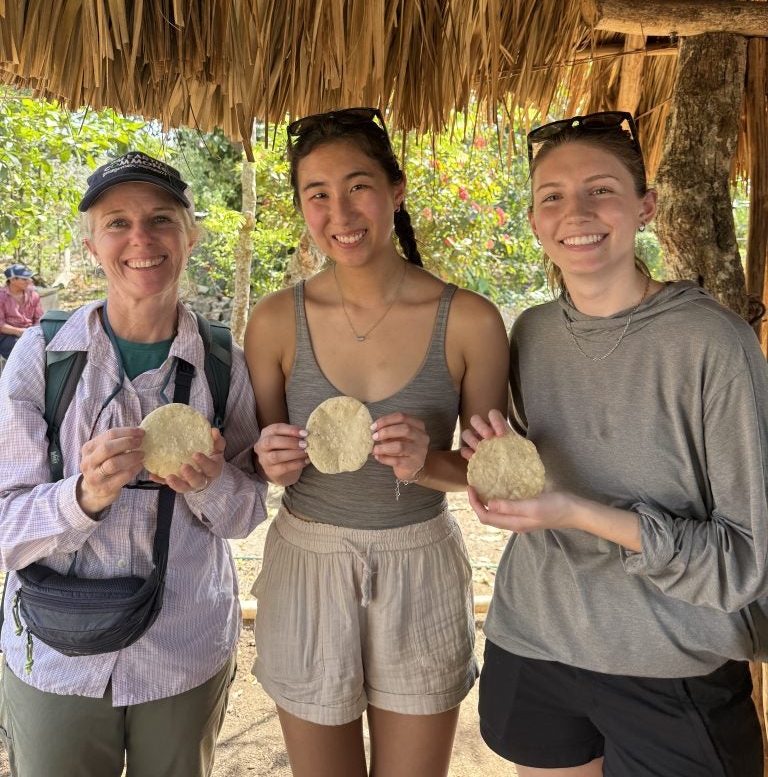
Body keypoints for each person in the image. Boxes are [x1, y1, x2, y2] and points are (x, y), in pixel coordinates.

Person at [462, 110, 767, 777]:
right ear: (536, 220)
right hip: (535, 640)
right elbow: (517, 478)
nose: (577, 211)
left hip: (669, 657)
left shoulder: (713, 344)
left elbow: (745, 558)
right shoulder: (531, 335)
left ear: (645, 207)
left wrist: (572, 511)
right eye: (552, 197)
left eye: (601, 188)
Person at [243, 107, 510, 777]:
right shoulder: (275, 321)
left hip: (419, 561)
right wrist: (264, 457)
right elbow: (260, 456)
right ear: (301, 206)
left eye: (358, 186)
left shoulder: (469, 321)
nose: (341, 211)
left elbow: (488, 475)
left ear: (397, 190)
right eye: (317, 195)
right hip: (307, 562)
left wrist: (426, 463)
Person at [0, 151, 267, 777]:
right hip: (57, 654)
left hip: (183, 647)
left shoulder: (223, 363)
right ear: (93, 244)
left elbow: (247, 513)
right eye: (116, 222)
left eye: (161, 219)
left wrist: (211, 483)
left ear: (191, 235)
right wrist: (84, 496)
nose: (140, 239)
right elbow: (4, 525)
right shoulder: (43, 358)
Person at [0, 264, 43, 360]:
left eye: (29, 278)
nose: (29, 281)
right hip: (8, 336)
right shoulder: (1, 296)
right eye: (24, 279)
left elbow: (39, 318)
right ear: (12, 280)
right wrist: (19, 332)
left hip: (31, 333)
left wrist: (33, 331)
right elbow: (1, 325)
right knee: (22, 350)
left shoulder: (33, 295)